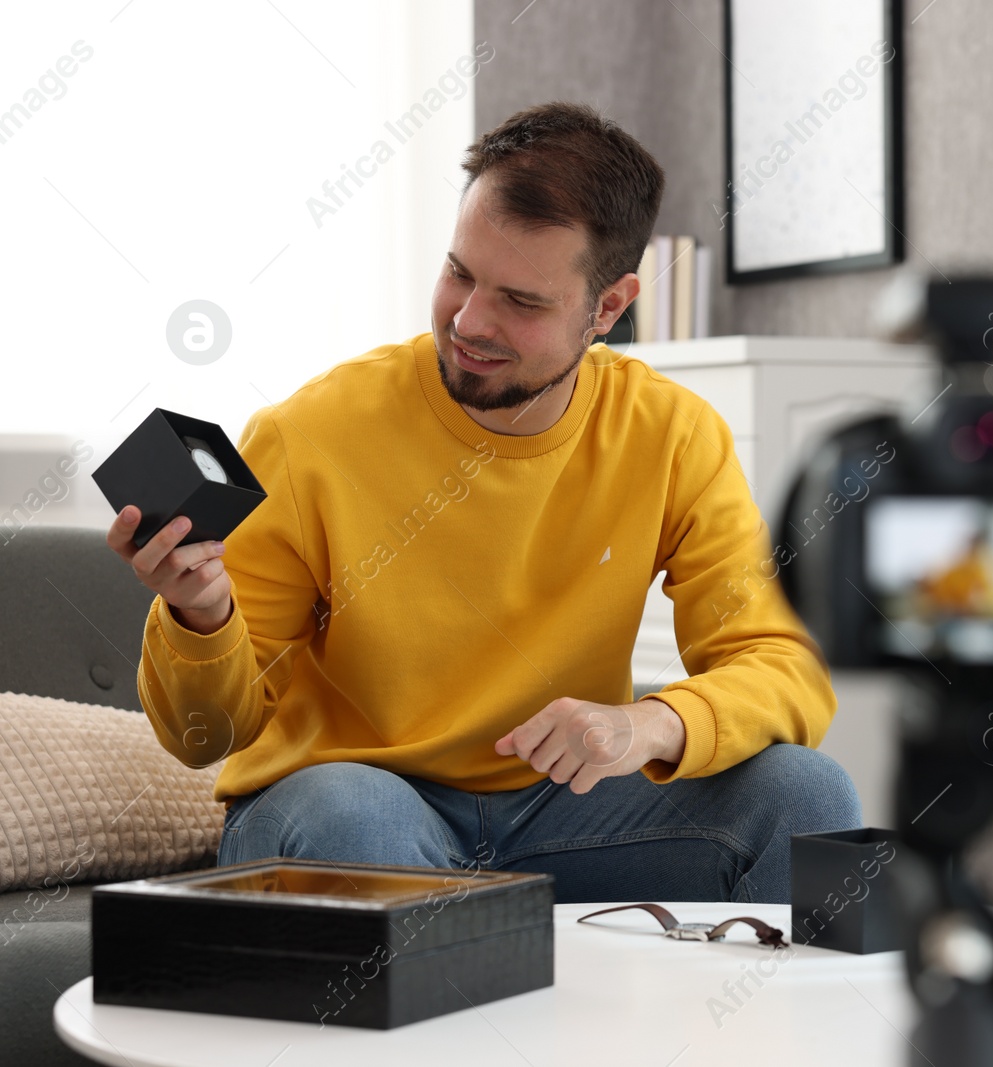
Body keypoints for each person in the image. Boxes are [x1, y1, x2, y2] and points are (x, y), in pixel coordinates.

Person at [106, 101, 861, 904]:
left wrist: (649, 723)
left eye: (521, 301)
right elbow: (204, 738)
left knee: (809, 797)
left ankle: (733, 1028)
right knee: (357, 821)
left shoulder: (672, 435)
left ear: (607, 308)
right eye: (460, 271)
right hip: (351, 806)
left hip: (563, 815)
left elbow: (786, 670)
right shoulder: (310, 434)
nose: (468, 320)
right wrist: (200, 618)